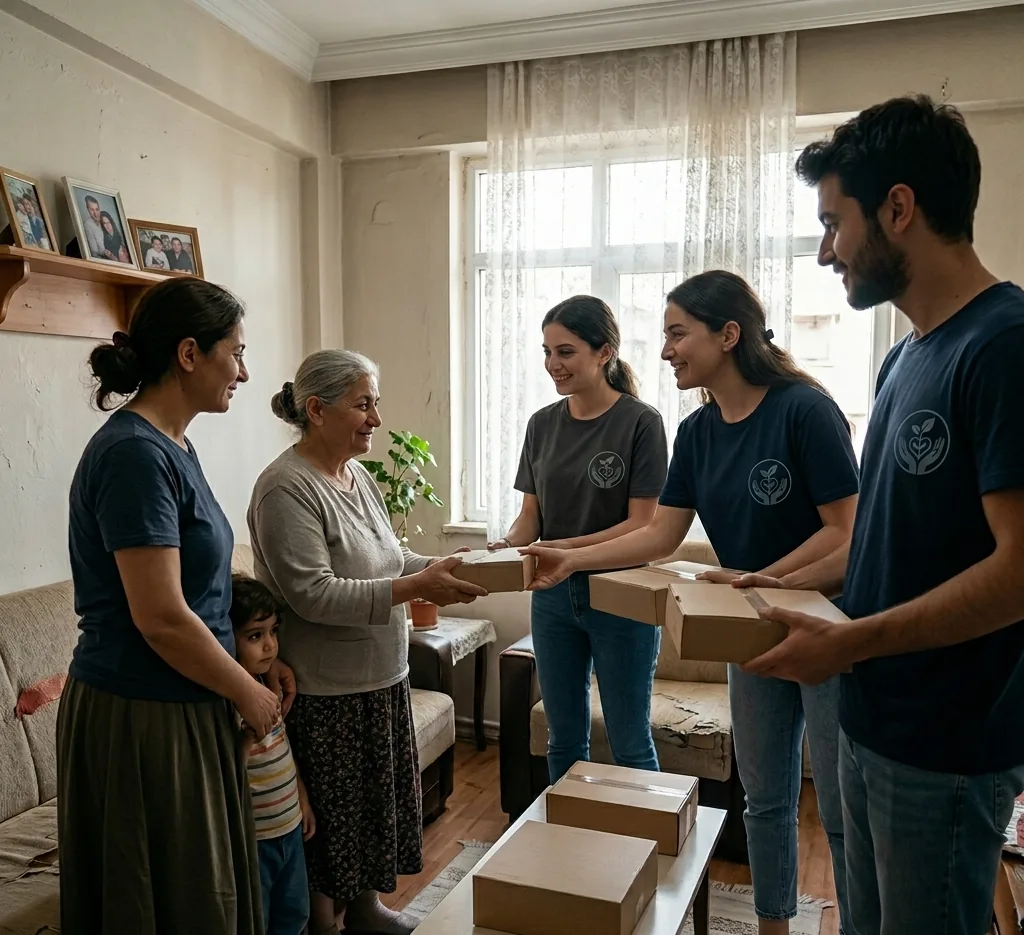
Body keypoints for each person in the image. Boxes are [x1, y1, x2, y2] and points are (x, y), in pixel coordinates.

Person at [731, 95, 1024, 935]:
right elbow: (883, 544)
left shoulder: (1004, 345)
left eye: (834, 223)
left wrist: (852, 641)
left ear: (899, 208)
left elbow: (1018, 570)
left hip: (947, 742)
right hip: (870, 716)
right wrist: (774, 586)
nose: (826, 252)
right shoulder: (905, 357)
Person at [524, 273, 860, 935]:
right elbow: (657, 531)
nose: (665, 349)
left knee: (844, 812)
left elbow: (847, 534)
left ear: (728, 335)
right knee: (764, 800)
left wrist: (757, 577)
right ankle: (773, 925)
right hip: (752, 632)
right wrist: (569, 556)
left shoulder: (804, 410)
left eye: (678, 333)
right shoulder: (700, 429)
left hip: (827, 634)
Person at [58, 277, 295, 934]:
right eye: (236, 353)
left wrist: (247, 670)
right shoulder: (135, 454)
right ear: (190, 353)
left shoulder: (173, 445)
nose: (244, 372)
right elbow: (160, 615)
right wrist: (244, 691)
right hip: (141, 715)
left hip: (183, 703)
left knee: (202, 895)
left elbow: (200, 594)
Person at [248, 349, 486, 935]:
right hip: (328, 696)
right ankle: (328, 925)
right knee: (334, 832)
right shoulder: (286, 488)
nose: (376, 417)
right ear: (316, 409)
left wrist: (440, 567)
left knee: (370, 820)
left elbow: (390, 558)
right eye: (364, 404)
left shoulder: (354, 477)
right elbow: (314, 595)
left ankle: (366, 911)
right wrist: (415, 585)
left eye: (374, 402)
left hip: (381, 680)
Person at [490, 296, 669, 781]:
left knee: (631, 742)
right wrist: (504, 549)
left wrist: (564, 551)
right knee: (563, 739)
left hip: (622, 598)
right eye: (546, 352)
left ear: (604, 352)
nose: (553, 364)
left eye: (565, 352)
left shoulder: (641, 423)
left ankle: (648, 851)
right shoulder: (541, 425)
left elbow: (642, 525)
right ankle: (569, 851)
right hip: (552, 599)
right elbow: (531, 517)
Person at [231, 575, 315, 935]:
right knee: (258, 920)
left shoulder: (269, 684)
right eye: (254, 636)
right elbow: (227, 770)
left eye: (272, 632)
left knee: (294, 913)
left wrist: (303, 801)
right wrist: (248, 737)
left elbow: (283, 753)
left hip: (290, 829)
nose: (269, 646)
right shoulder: (230, 699)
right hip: (255, 839)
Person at [82, 193, 106, 258]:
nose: (95, 213)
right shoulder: (87, 225)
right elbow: (94, 252)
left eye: (97, 209)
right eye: (92, 210)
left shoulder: (104, 219)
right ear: (88, 210)